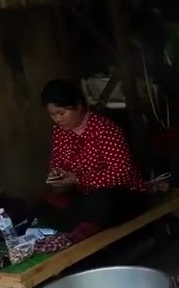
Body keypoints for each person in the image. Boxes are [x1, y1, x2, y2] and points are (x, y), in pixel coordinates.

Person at [38, 78, 159, 240]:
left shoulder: (104, 129)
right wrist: (57, 178)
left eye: (61, 113)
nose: (58, 119)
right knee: (41, 206)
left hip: (122, 193)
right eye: (52, 115)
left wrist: (79, 179)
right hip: (85, 195)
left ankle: (84, 223)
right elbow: (57, 163)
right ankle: (87, 222)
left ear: (79, 105)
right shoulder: (60, 132)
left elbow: (121, 173)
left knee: (101, 203)